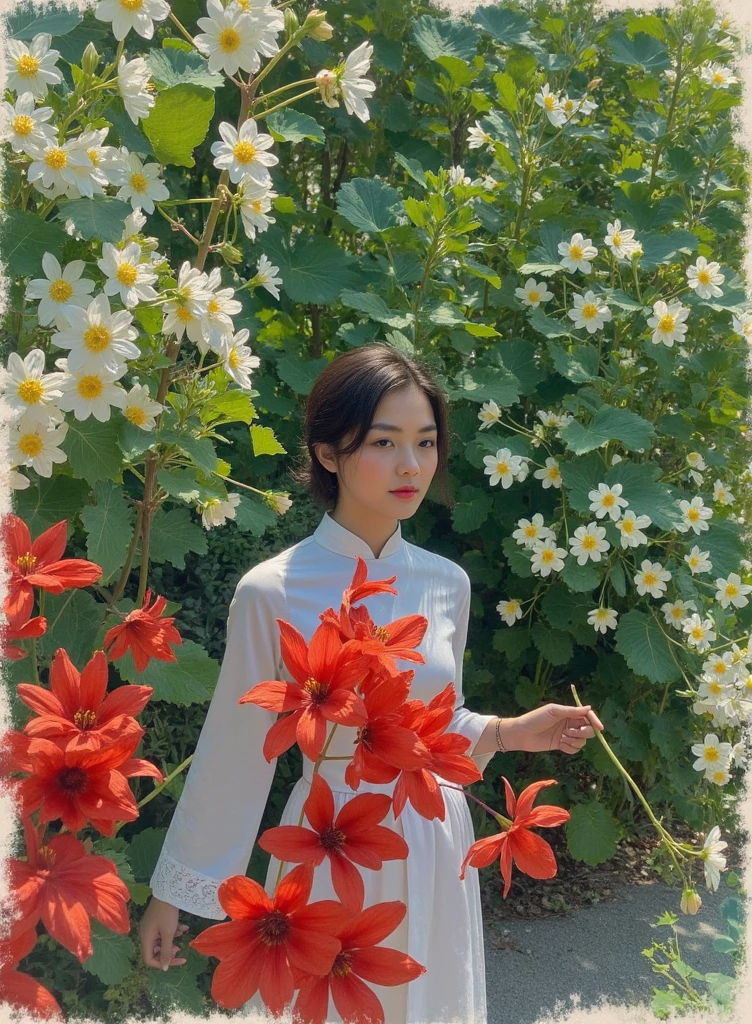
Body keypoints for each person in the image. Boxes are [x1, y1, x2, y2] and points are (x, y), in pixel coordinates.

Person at [139, 342, 604, 1022]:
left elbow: (429, 727)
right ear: (330, 453)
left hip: (434, 838)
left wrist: (506, 732)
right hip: (329, 844)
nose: (411, 465)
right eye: (384, 442)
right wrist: (174, 893)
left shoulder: (447, 584)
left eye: (425, 442)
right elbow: (236, 752)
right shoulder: (273, 590)